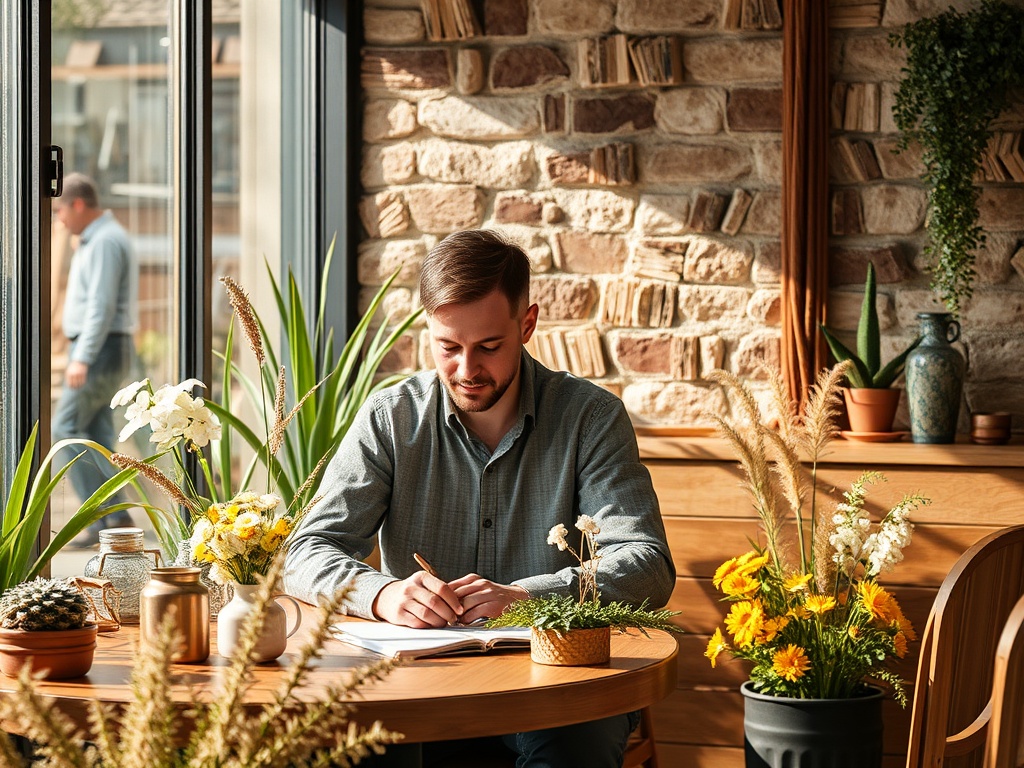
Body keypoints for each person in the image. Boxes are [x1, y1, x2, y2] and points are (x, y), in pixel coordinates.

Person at [284, 229, 675, 768]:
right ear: (428, 333)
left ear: (528, 324)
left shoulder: (590, 418)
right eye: (448, 347)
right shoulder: (390, 418)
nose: (467, 370)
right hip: (417, 682)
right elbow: (306, 550)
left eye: (488, 346)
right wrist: (384, 595)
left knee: (572, 748)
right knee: (359, 746)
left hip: (558, 678)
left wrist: (528, 598)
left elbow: (648, 565)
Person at [52, 173, 138, 547]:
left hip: (99, 350)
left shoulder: (104, 241)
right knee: (98, 435)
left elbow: (101, 307)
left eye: (59, 210)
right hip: (102, 347)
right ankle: (116, 518)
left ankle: (101, 518)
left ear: (78, 204)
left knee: (66, 428)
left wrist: (81, 357)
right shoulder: (96, 238)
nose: (58, 220)